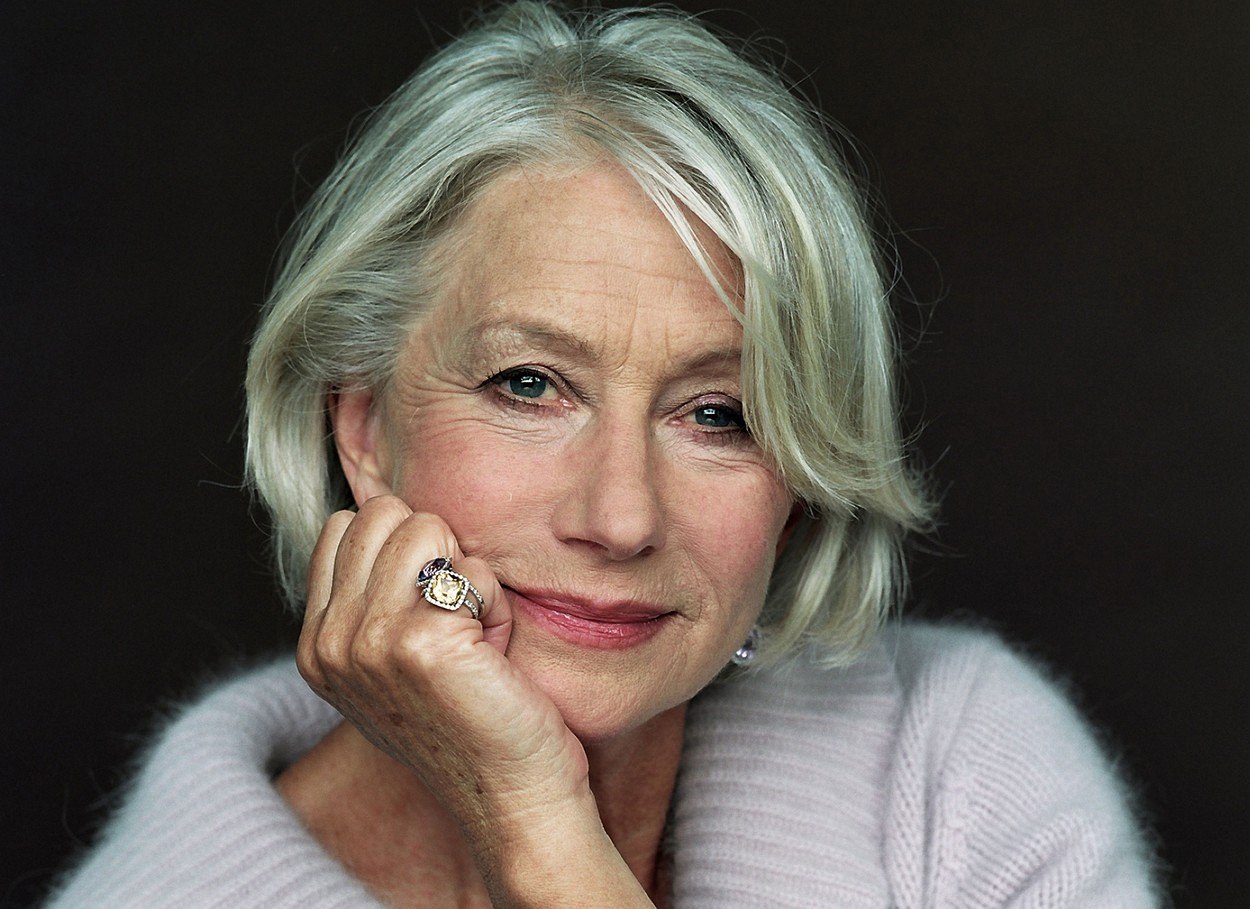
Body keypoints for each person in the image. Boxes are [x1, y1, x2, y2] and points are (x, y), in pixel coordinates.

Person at [44, 2, 1160, 906]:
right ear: (364, 429)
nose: (620, 518)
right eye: (529, 385)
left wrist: (539, 838)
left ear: (802, 479)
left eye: (718, 414)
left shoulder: (956, 767)